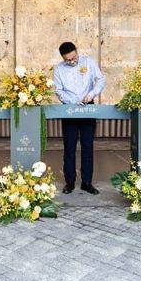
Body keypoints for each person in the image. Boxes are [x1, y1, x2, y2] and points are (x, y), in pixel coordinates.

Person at [53, 42, 105, 195]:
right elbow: (59, 90)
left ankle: (86, 182)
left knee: (87, 146)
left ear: (77, 52)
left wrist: (91, 94)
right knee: (69, 147)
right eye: (68, 60)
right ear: (63, 58)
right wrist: (73, 101)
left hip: (88, 107)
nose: (72, 61)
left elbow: (100, 79)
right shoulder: (59, 69)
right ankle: (69, 182)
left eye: (74, 58)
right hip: (69, 109)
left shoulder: (88, 62)